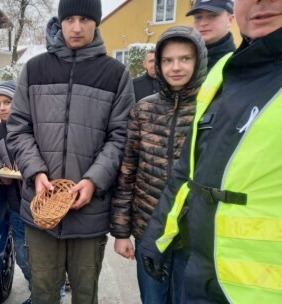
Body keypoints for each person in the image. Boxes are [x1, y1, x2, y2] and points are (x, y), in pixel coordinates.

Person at [140, 0, 282, 303]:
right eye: (167, 60)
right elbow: (189, 172)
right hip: (205, 276)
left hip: (260, 290)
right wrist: (155, 235)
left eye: (184, 59)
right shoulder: (221, 74)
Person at [6, 0, 135, 302]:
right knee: (43, 293)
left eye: (85, 19)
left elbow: (121, 137)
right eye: (70, 19)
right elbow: (18, 127)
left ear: (96, 22)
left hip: (89, 212)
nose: (76, 27)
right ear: (60, 21)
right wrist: (35, 171)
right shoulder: (35, 68)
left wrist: (94, 180)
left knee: (85, 293)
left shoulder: (115, 74)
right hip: (40, 210)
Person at [111, 25, 207, 304]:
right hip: (148, 230)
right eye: (168, 60)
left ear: (198, 60)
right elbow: (127, 173)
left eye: (185, 58)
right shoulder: (143, 109)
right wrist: (121, 232)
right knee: (152, 299)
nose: (175, 67)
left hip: (194, 237)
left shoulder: (212, 107)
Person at [0, 80, 34, 304]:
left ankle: (49, 294)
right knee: (23, 257)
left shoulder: (33, 125)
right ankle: (37, 290)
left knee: (44, 255)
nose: (2, 107)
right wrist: (1, 174)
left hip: (39, 203)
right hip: (15, 204)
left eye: (7, 101)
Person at [187, 0, 236, 71]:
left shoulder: (239, 64)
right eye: (198, 17)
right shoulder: (183, 58)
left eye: (213, 16)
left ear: (230, 20)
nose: (202, 23)